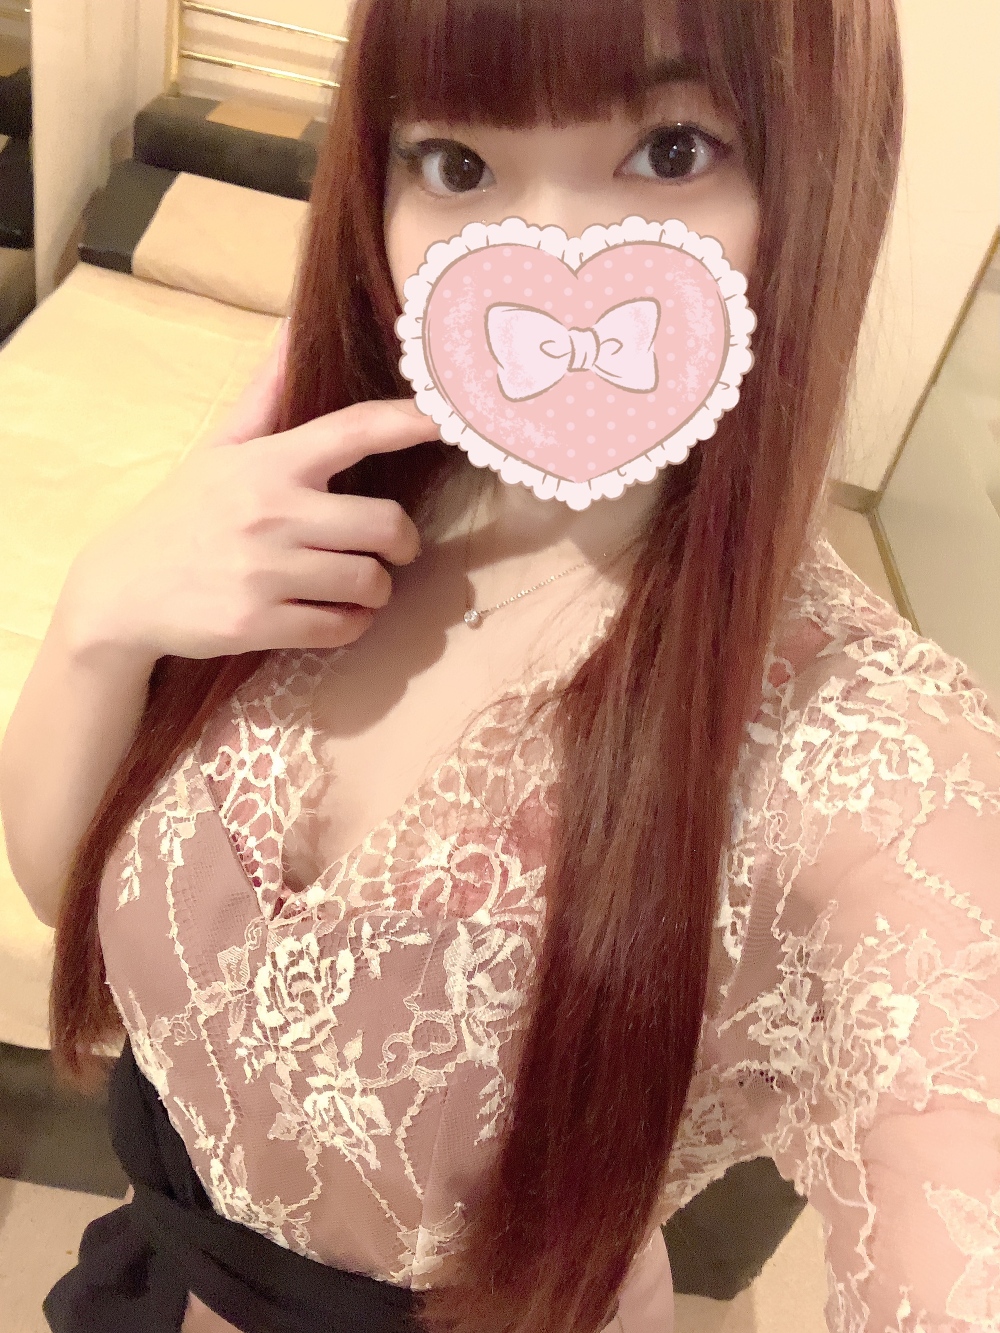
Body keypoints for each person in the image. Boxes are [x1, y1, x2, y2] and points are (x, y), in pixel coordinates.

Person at [0, 0, 997, 1330]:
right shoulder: (299, 488)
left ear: (821, 171)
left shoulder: (870, 758)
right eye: (456, 163)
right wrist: (101, 614)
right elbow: (71, 892)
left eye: (672, 150)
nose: (547, 258)